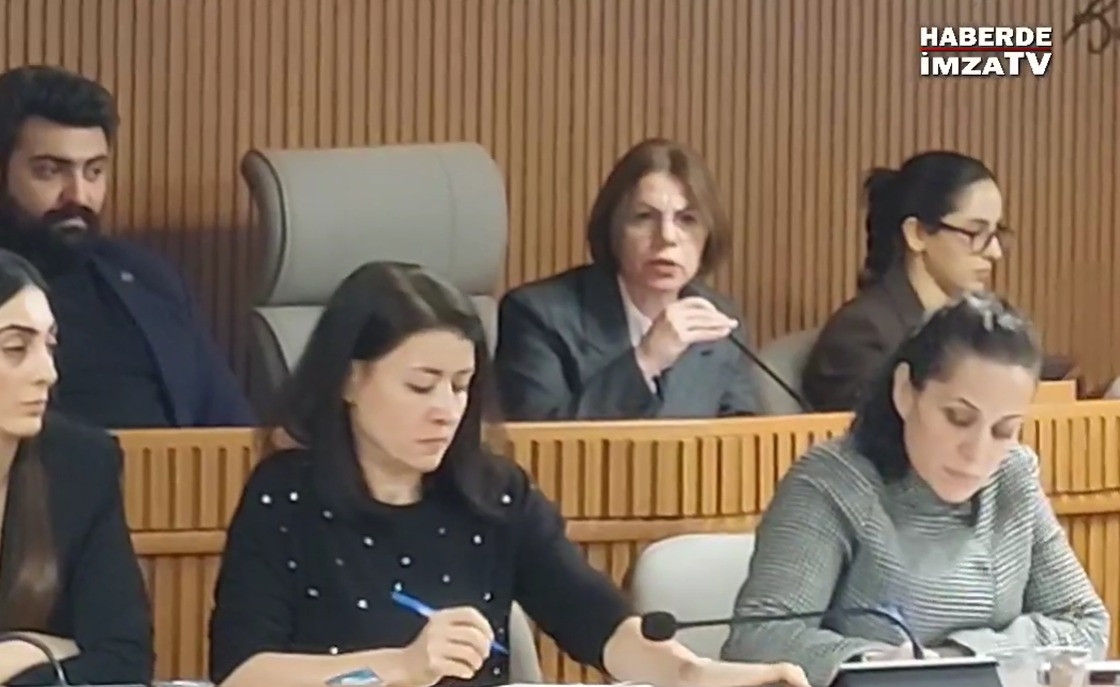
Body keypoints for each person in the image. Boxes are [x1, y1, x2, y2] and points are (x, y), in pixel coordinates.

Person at [208, 261, 807, 687]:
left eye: (461, 386)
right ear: (349, 379)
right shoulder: (286, 496)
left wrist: (697, 675)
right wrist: (401, 667)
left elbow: (597, 622)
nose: (446, 409)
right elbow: (242, 674)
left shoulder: (492, 493)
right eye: (420, 385)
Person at [720, 294, 1109, 687]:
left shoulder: (1013, 476)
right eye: (958, 418)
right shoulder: (831, 482)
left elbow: (1086, 624)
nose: (977, 452)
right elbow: (757, 641)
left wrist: (957, 661)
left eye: (1004, 429)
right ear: (906, 391)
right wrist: (874, 664)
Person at [0, 64, 253, 428]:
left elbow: (231, 427)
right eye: (50, 171)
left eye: (94, 171)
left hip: (179, 465)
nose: (78, 195)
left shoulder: (148, 279)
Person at [494, 138, 762, 420]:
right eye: (644, 217)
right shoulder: (538, 316)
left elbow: (743, 431)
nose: (667, 237)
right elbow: (541, 438)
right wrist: (646, 360)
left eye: (687, 220)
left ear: (709, 234)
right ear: (613, 228)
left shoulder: (719, 322)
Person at [0, 249, 153, 686]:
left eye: (49, 345)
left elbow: (124, 660)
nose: (47, 372)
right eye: (15, 348)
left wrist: (21, 653)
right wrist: (57, 647)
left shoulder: (81, 464)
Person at [802, 151, 1011, 412]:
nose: (995, 252)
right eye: (975, 233)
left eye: (997, 233)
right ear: (917, 234)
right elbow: (879, 426)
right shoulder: (861, 334)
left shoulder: (978, 323)